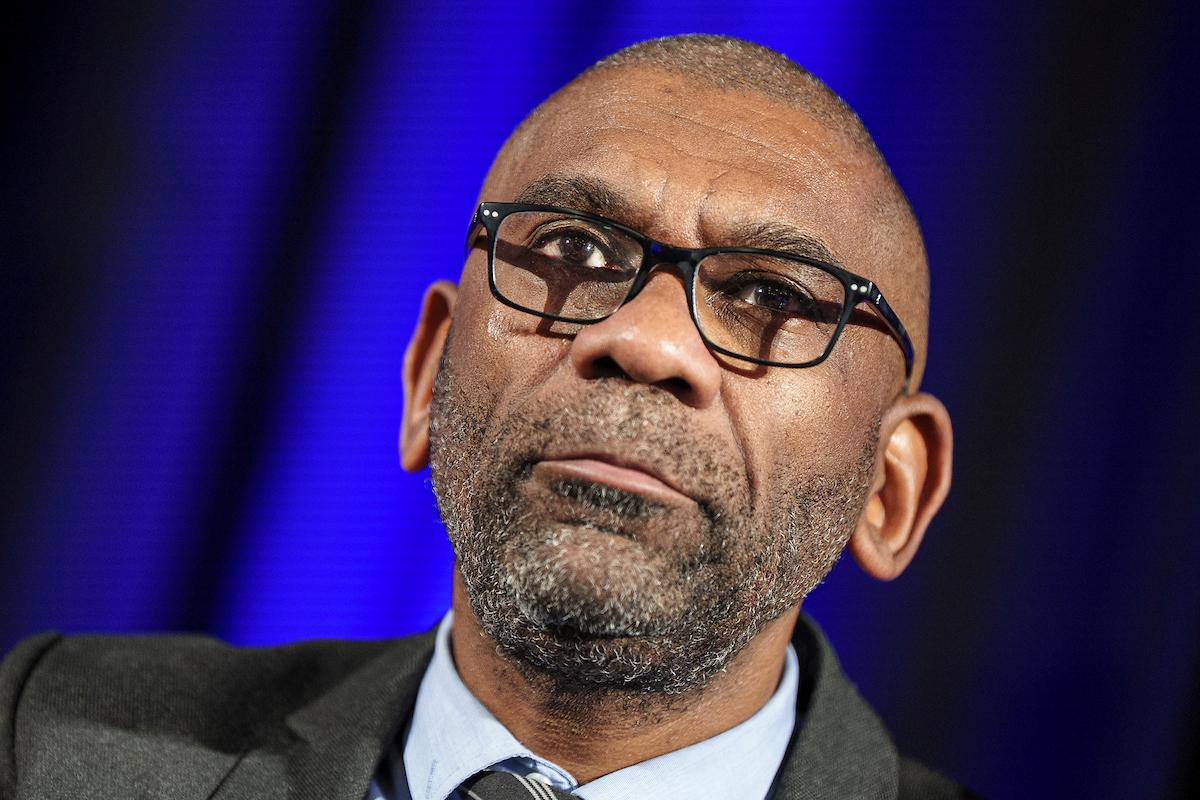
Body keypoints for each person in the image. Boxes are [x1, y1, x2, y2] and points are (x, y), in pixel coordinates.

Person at [0, 34, 968, 799]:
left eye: (769, 295)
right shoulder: (48, 736)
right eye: (575, 253)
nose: (644, 340)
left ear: (891, 488)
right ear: (427, 375)